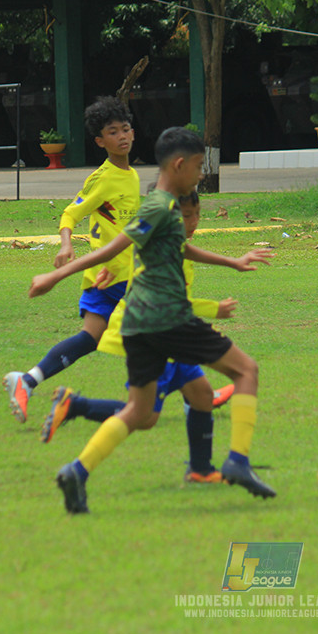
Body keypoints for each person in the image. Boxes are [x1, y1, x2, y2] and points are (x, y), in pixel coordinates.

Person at [28, 126, 276, 514]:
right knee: (246, 371)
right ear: (178, 165)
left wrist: (232, 261)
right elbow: (115, 246)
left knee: (141, 413)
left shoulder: (168, 207)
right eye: (197, 167)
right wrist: (55, 276)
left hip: (138, 324)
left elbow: (181, 246)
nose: (199, 175)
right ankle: (237, 462)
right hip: (167, 317)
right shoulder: (159, 206)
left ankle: (77, 470)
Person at [40, 191, 236, 484]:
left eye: (197, 215)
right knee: (144, 416)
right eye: (185, 216)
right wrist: (214, 309)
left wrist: (112, 269)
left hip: (167, 331)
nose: (193, 222)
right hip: (158, 335)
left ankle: (201, 470)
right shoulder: (166, 252)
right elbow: (171, 302)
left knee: (201, 394)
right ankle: (76, 410)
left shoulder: (160, 243)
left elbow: (127, 255)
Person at [3, 96, 139, 422]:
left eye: (126, 129)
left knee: (90, 340)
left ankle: (28, 380)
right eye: (112, 132)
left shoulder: (132, 175)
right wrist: (66, 245)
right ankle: (196, 394)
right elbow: (70, 212)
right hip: (109, 279)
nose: (122, 136)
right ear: (99, 141)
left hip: (125, 276)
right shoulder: (103, 178)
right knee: (162, 330)